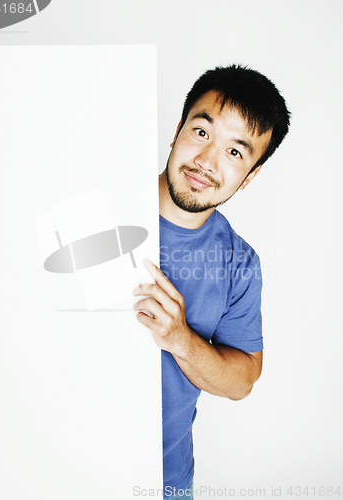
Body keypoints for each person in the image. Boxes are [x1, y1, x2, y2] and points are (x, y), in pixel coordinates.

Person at [132, 64, 290, 499]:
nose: (206, 162)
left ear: (251, 175)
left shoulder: (239, 264)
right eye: (202, 133)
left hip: (164, 478)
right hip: (49, 457)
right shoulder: (97, 210)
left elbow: (242, 381)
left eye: (235, 152)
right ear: (179, 128)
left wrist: (180, 338)